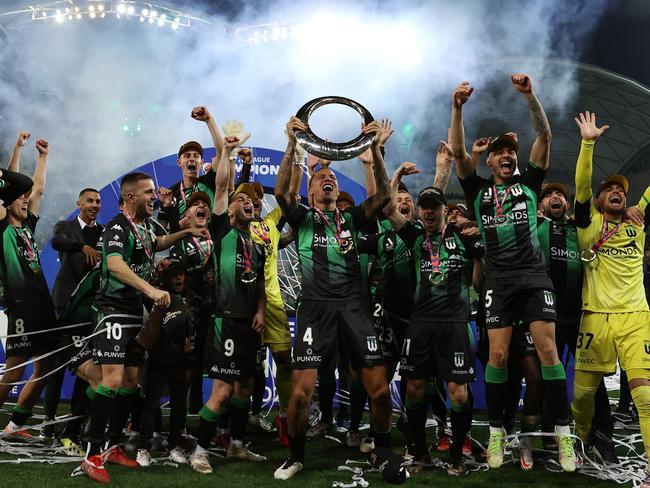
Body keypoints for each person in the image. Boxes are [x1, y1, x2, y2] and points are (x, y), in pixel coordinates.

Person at [450, 75, 575, 471]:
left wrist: (530, 96)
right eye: (499, 152)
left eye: (510, 151)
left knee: (549, 352)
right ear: (488, 161)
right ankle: (499, 431)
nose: (506, 155)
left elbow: (545, 135)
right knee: (499, 355)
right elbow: (456, 151)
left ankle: (563, 434)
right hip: (499, 282)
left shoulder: (531, 184)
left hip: (534, 278)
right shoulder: (478, 191)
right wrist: (458, 108)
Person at [273, 116, 392, 480]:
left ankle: (382, 451)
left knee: (381, 389)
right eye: (321, 178)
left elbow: (385, 197)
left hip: (355, 308)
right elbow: (281, 194)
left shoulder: (353, 220)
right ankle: (296, 457)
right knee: (300, 394)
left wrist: (374, 148)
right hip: (316, 310)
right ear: (310, 192)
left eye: (334, 177)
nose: (328, 179)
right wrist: (292, 142)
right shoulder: (304, 217)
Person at [79, 171, 209, 484]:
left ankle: (112, 446)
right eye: (148, 193)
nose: (154, 197)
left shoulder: (146, 226)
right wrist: (150, 291)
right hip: (112, 311)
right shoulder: (118, 226)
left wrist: (186, 231)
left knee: (131, 380)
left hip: (133, 312)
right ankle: (92, 454)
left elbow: (158, 241)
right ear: (130, 197)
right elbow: (114, 263)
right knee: (112, 379)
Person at [570, 111, 650, 487]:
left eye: (622, 189)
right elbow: (582, 187)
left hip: (636, 316)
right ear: (601, 201)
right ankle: (585, 439)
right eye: (610, 190)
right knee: (583, 398)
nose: (617, 191)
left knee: (645, 396)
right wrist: (588, 142)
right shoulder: (589, 226)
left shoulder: (638, 222)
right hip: (595, 317)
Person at [188, 136, 267, 475]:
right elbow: (221, 185)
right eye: (241, 200)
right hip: (225, 321)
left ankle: (235, 443)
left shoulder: (258, 243)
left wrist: (262, 311)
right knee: (221, 392)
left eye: (252, 201)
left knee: (246, 388)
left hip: (250, 322)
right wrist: (228, 152)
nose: (248, 202)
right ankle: (200, 451)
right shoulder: (222, 231)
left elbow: (262, 282)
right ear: (230, 209)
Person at [389, 186, 481, 475]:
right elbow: (388, 209)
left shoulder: (462, 238)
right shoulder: (415, 237)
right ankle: (419, 452)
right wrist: (390, 170)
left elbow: (478, 284)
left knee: (459, 394)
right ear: (419, 211)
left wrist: (479, 247)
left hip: (455, 323)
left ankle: (456, 456)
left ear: (444, 210)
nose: (429, 211)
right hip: (421, 324)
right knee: (415, 389)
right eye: (424, 206)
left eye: (434, 206)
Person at [537, 182, 618, 463]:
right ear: (540, 206)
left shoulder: (579, 229)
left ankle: (603, 441)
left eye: (559, 194)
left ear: (568, 204)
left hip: (583, 317)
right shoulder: (537, 228)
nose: (555, 197)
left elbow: (601, 212)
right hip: (548, 318)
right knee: (551, 382)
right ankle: (550, 441)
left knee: (594, 381)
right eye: (548, 195)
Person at [0, 138, 55, 437]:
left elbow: (39, 188)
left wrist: (43, 156)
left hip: (42, 304)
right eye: (19, 198)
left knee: (45, 368)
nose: (25, 200)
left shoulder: (29, 226)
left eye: (26, 198)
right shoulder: (2, 226)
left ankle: (15, 424)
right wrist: (18, 151)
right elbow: (9, 186)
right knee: (15, 369)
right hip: (20, 305)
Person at [43, 188, 103, 437]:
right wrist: (82, 248)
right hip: (64, 305)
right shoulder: (65, 226)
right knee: (55, 365)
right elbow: (57, 242)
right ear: (79, 203)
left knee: (88, 364)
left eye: (98, 201)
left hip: (91, 310)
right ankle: (48, 421)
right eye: (90, 200)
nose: (94, 205)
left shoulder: (105, 232)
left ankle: (76, 423)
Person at [136, 258, 194, 467]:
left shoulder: (188, 298)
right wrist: (154, 275)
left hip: (179, 362)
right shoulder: (156, 297)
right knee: (151, 406)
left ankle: (174, 446)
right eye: (174, 275)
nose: (179, 278)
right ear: (166, 278)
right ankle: (144, 448)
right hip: (158, 361)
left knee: (179, 406)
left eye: (181, 274)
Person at [157, 106, 224, 232]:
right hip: (182, 249)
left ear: (201, 163)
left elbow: (222, 154)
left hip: (210, 247)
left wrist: (209, 120)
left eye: (196, 156)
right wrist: (177, 227)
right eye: (187, 156)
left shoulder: (209, 181)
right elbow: (160, 236)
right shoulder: (170, 194)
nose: (192, 159)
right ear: (179, 162)